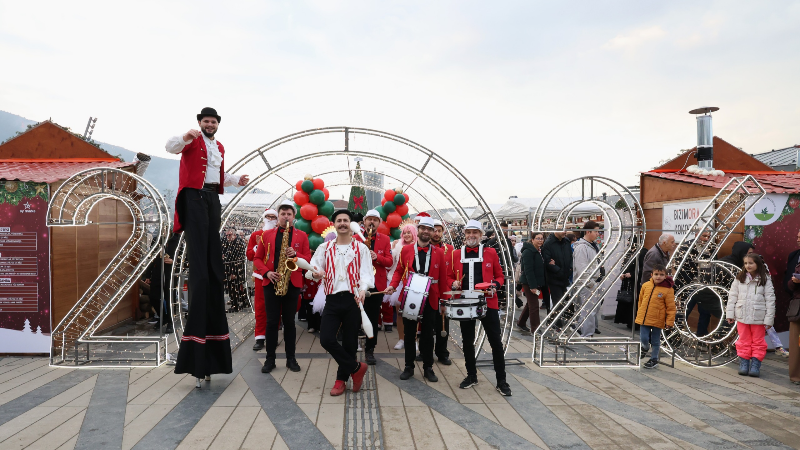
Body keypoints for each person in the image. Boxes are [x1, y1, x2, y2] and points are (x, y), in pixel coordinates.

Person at [167, 107, 249, 388]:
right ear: (200, 123)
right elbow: (170, 146)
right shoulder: (191, 140)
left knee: (213, 260)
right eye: (206, 121)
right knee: (201, 267)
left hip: (212, 198)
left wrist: (236, 180)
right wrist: (184, 135)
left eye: (213, 122)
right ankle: (201, 273)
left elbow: (216, 175)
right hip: (193, 197)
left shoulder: (220, 146)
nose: (209, 124)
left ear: (217, 125)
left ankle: (210, 274)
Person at [308, 209, 372, 396]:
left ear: (351, 225)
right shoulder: (324, 248)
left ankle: (340, 380)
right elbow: (311, 270)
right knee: (326, 339)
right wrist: (316, 273)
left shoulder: (361, 249)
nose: (342, 223)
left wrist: (362, 289)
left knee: (350, 343)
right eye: (339, 220)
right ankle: (356, 368)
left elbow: (367, 274)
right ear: (334, 225)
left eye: (346, 220)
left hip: (353, 300)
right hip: (332, 299)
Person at [448, 220, 511, 396]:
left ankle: (501, 381)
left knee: (496, 343)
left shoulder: (491, 252)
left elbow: (500, 276)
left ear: (481, 235)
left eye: (475, 232)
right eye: (468, 232)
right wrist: (453, 283)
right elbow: (448, 276)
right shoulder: (455, 254)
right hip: (465, 302)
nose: (471, 236)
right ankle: (471, 375)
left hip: (488, 302)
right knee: (467, 342)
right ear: (465, 234)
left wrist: (495, 285)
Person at [385, 217, 448, 382]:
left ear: (433, 232)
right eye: (423, 228)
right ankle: (409, 367)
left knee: (428, 335)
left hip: (431, 298)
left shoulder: (439, 253)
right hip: (410, 297)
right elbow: (398, 270)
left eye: (429, 229)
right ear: (418, 230)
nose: (426, 231)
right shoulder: (406, 250)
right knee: (409, 333)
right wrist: (393, 285)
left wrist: (444, 301)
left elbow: (442, 278)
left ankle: (428, 368)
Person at [253, 200, 311, 373]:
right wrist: (267, 273)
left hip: (291, 283)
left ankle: (291, 359)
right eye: (283, 214)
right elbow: (257, 259)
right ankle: (270, 359)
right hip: (271, 282)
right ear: (278, 216)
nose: (286, 217)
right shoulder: (266, 235)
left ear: (294, 217)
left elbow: (307, 258)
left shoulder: (302, 235)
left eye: (289, 214)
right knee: (271, 323)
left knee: (289, 323)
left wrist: (296, 255)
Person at [726, 253, 775, 377]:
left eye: (751, 263)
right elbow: (732, 297)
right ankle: (744, 363)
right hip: (742, 315)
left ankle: (755, 364)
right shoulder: (739, 278)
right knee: (743, 340)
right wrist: (730, 313)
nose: (748, 265)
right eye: (746, 263)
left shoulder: (765, 279)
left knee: (758, 341)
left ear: (757, 264)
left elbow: (770, 299)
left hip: (758, 317)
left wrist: (769, 319)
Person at [361, 209, 393, 365]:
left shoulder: (385, 239)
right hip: (358, 284)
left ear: (379, 223)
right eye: (369, 219)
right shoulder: (355, 238)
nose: (372, 222)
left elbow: (389, 262)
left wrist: (377, 257)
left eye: (375, 220)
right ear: (364, 222)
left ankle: (370, 350)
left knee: (373, 318)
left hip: (376, 285)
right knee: (353, 317)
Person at [246, 209, 277, 351]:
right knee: (260, 307)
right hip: (260, 276)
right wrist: (258, 246)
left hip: (277, 275)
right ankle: (259, 337)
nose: (270, 219)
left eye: (273, 217)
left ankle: (273, 336)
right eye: (268, 217)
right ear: (264, 218)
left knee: (276, 307)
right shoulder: (255, 235)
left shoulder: (281, 233)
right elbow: (249, 255)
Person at [635, 263, 676, 369]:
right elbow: (641, 300)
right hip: (644, 318)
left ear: (665, 276)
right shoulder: (645, 286)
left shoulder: (668, 290)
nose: (658, 276)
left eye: (661, 275)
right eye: (656, 274)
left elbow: (671, 307)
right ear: (651, 275)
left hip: (658, 319)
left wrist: (669, 321)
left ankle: (654, 359)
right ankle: (644, 347)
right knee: (643, 338)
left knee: (655, 340)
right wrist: (640, 313)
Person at [386, 223, 417, 350]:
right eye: (404, 232)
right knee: (399, 313)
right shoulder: (397, 245)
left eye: (409, 232)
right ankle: (401, 339)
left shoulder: (418, 247)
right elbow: (390, 265)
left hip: (414, 283)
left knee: (413, 313)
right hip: (399, 283)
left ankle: (413, 340)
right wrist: (392, 250)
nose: (407, 235)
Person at [428, 219, 453, 364]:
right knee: (427, 325)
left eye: (439, 230)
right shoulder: (422, 248)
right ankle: (427, 352)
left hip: (444, 292)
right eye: (434, 230)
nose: (436, 233)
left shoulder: (449, 249)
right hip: (429, 291)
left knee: (443, 324)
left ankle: (442, 353)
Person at [517, 232, 551, 333]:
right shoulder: (528, 252)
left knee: (530, 304)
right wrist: (532, 286)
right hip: (529, 282)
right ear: (532, 239)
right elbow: (528, 270)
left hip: (536, 282)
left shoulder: (538, 251)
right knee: (534, 306)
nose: (540, 240)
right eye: (538, 238)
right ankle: (535, 329)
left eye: (541, 238)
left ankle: (521, 323)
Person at [573, 221, 601, 337]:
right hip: (586, 284)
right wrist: (590, 283)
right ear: (588, 232)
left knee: (590, 309)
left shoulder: (593, 245)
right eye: (596, 231)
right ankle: (587, 334)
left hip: (593, 282)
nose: (598, 234)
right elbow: (581, 268)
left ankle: (582, 329)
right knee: (588, 310)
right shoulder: (582, 248)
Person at [542, 231, 572, 313]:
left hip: (565, 278)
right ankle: (557, 324)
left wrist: (570, 269)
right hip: (554, 279)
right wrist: (559, 271)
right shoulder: (548, 243)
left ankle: (558, 321)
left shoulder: (566, 241)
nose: (565, 232)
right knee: (558, 304)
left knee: (567, 303)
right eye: (562, 229)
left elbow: (570, 256)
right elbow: (548, 262)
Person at [785, 231, 800, 384]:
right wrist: (792, 283)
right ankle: (796, 376)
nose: (798, 240)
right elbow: (789, 281)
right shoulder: (794, 256)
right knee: (795, 342)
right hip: (797, 305)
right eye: (797, 237)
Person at [222, 227, 248, 312]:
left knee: (234, 288)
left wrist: (234, 272)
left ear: (234, 234)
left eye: (229, 235)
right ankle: (243, 301)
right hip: (228, 269)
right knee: (234, 287)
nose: (228, 237)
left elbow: (239, 259)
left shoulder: (238, 243)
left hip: (236, 269)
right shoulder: (226, 242)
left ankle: (236, 305)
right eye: (227, 235)